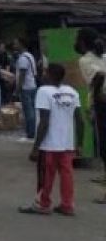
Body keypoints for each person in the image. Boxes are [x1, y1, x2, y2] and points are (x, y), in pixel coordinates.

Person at [19, 63, 84, 216]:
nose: (42, 75)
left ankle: (43, 203)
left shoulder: (43, 91)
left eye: (45, 72)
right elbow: (80, 120)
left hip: (49, 143)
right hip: (67, 143)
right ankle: (67, 205)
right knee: (67, 174)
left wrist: (36, 147)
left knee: (46, 174)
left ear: (49, 74)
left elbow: (44, 121)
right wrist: (79, 143)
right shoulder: (72, 92)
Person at [73, 28, 106, 200]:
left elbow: (98, 76)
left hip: (102, 104)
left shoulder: (85, 60)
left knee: (103, 144)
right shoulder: (103, 56)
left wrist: (96, 98)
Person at [15, 38, 40, 142]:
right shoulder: (30, 56)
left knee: (28, 111)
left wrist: (18, 88)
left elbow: (22, 74)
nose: (14, 45)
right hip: (32, 85)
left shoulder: (23, 58)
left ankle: (30, 134)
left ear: (21, 44)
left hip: (26, 87)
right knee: (33, 110)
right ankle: (33, 132)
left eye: (16, 43)